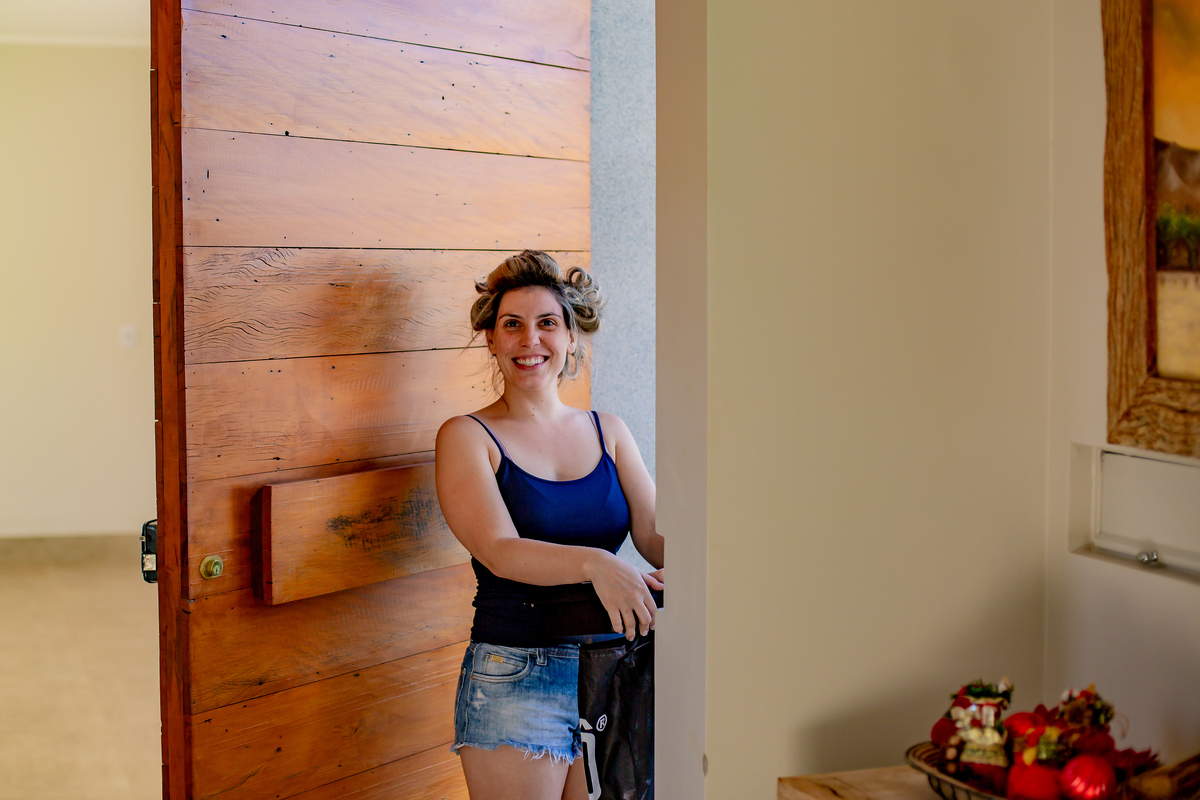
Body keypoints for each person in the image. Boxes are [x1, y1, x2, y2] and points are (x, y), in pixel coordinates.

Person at [435, 250, 664, 800]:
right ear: (492, 340)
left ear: (571, 338)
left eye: (547, 323)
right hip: (517, 672)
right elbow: (499, 549)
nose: (529, 340)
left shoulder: (610, 431)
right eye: (512, 324)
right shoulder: (466, 436)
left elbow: (655, 538)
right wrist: (597, 564)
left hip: (613, 668)